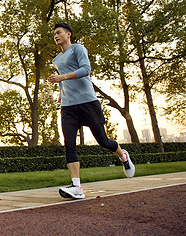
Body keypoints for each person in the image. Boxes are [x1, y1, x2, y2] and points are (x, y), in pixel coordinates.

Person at [48, 23, 135, 199]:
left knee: (103, 141)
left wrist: (62, 77)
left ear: (68, 34)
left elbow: (86, 70)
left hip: (88, 102)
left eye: (59, 33)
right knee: (69, 145)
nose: (56, 36)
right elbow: (62, 79)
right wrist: (60, 92)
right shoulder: (56, 59)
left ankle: (123, 155)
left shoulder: (78, 49)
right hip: (68, 106)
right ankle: (76, 187)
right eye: (54, 34)